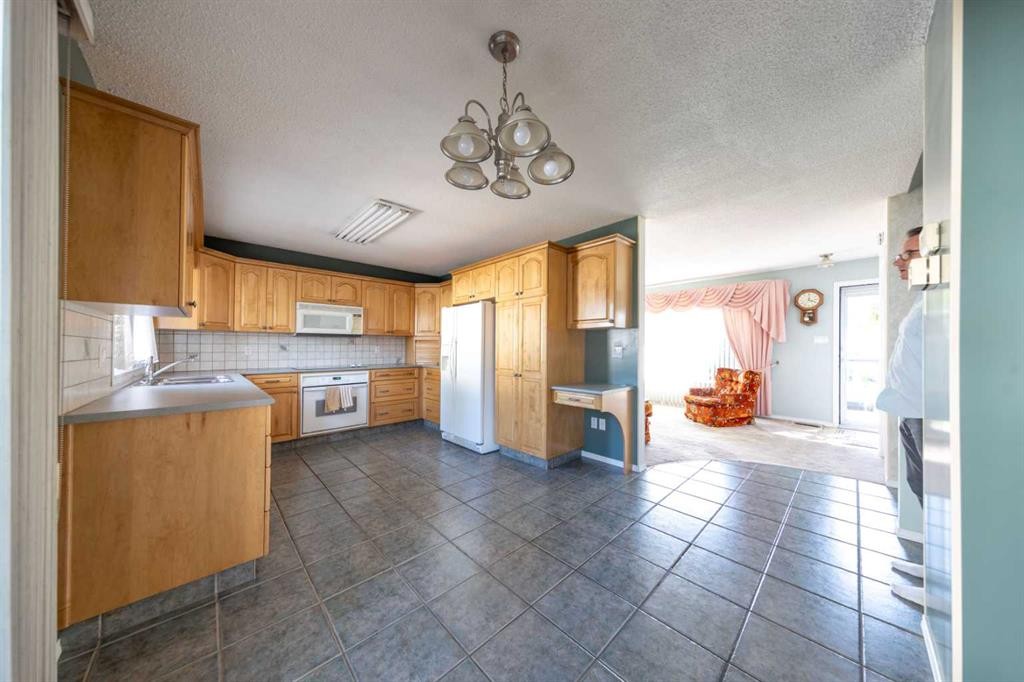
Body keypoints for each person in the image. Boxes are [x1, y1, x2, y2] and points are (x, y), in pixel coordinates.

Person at [876, 225, 925, 606]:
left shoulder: (943, 297)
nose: (898, 260)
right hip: (912, 413)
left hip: (928, 416)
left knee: (941, 498)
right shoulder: (926, 299)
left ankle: (946, 583)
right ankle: (939, 569)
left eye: (907, 254)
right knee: (926, 492)